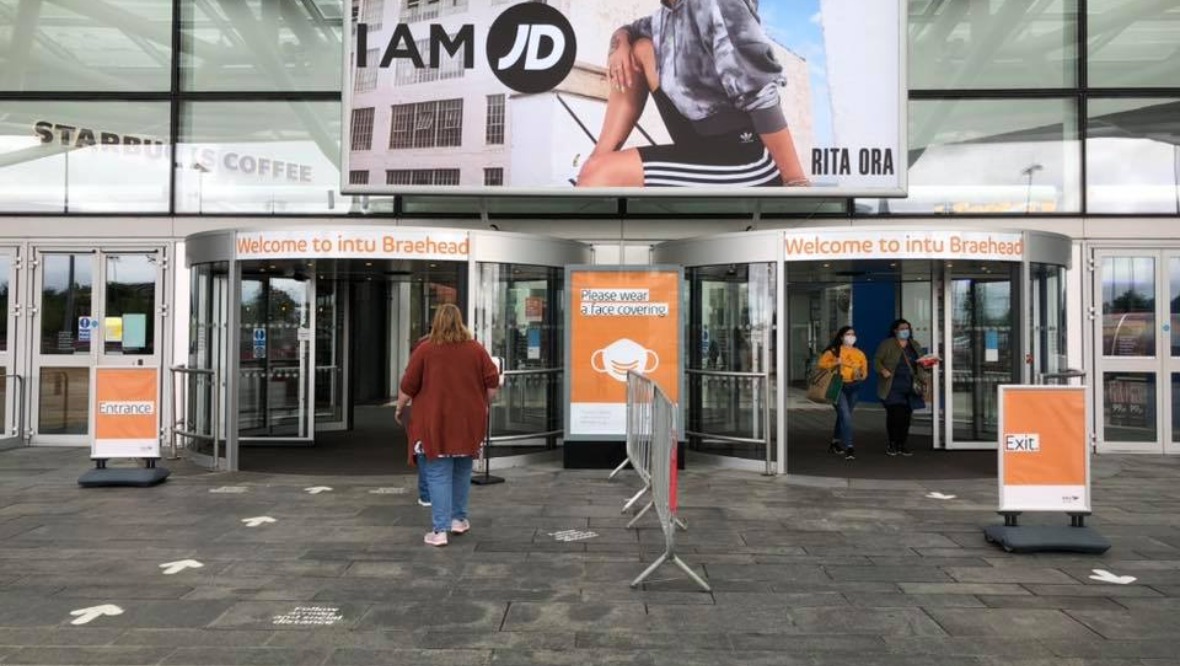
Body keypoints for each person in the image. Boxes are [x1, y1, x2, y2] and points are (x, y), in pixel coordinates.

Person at [577, 0, 810, 189]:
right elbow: (628, 30)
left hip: (745, 158)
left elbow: (759, 91)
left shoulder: (718, 4)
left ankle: (593, 173)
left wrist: (794, 180)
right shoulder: (664, 17)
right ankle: (596, 160)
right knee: (640, 49)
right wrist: (622, 44)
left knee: (599, 176)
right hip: (697, 143)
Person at [395, 304, 500, 547]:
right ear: (460, 322)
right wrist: (482, 403)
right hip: (468, 422)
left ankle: (439, 530)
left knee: (438, 473)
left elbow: (408, 386)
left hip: (435, 421)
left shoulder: (425, 349)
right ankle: (459, 520)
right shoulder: (476, 349)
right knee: (462, 470)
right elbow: (492, 382)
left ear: (437, 322)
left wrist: (399, 408)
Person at [874, 318, 928, 457]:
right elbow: (876, 361)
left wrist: (926, 365)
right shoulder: (887, 344)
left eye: (907, 328)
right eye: (902, 328)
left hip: (910, 385)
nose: (906, 331)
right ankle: (892, 443)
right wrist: (883, 370)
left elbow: (920, 363)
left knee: (906, 416)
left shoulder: (914, 344)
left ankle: (902, 444)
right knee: (895, 415)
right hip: (892, 385)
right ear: (895, 330)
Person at [817, 326, 868, 460]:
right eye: (847, 334)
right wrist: (835, 362)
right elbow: (821, 365)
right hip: (837, 386)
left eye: (853, 334)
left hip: (854, 386)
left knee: (844, 416)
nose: (851, 336)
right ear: (841, 337)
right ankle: (849, 447)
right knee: (845, 416)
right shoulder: (833, 351)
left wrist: (860, 374)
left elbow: (865, 371)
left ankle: (835, 442)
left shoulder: (859, 353)